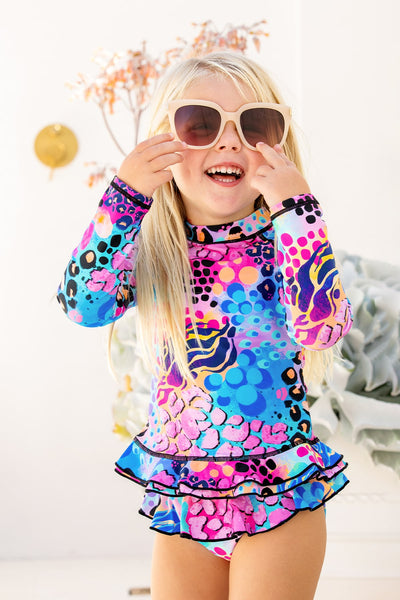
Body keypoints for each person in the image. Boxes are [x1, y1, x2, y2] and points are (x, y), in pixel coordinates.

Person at [57, 52, 353, 600]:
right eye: (201, 123)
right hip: (184, 501)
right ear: (163, 144)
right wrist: (124, 197)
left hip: (279, 497)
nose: (229, 141)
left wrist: (299, 212)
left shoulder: (286, 241)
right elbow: (82, 306)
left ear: (279, 143)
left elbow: (323, 329)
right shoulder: (155, 248)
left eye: (255, 125)